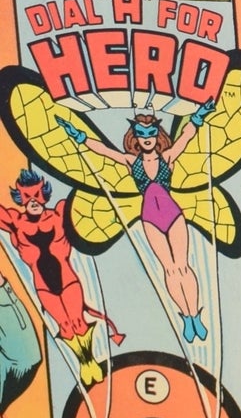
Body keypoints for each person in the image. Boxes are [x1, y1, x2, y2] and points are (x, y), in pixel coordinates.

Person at [57, 103, 215, 342]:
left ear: (157, 135)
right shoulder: (132, 162)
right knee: (169, 269)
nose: (147, 138)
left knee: (183, 266)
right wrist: (79, 136)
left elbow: (185, 138)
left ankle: (195, 314)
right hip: (150, 219)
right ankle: (185, 315)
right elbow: (104, 151)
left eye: (151, 133)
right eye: (142, 134)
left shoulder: (167, 157)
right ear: (136, 138)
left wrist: (198, 117)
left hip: (173, 216)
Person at [0, 170, 121, 386]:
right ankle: (83, 364)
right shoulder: (16, 222)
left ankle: (91, 361)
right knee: (65, 326)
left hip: (69, 281)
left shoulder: (59, 213)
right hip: (44, 287)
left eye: (37, 195)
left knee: (79, 322)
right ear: (20, 198)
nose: (33, 201)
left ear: (44, 194)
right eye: (27, 197)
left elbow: (86, 198)